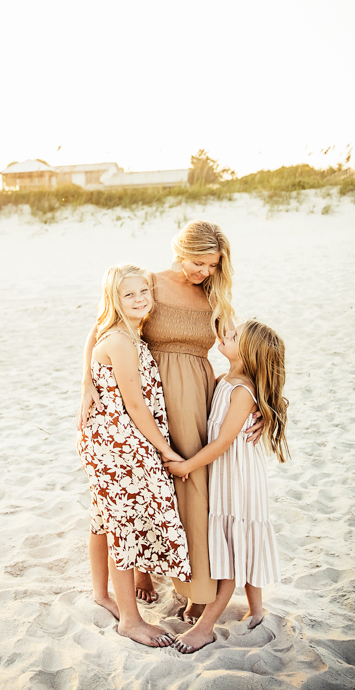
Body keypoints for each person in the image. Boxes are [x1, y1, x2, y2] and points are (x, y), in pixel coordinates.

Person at [78, 220, 262, 618]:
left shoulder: (214, 296)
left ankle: (198, 588)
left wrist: (259, 403)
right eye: (199, 262)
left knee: (193, 484)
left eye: (212, 265)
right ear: (181, 252)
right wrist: (86, 384)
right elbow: (101, 327)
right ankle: (144, 571)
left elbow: (244, 351)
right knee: (152, 481)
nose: (204, 272)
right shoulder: (149, 284)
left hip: (197, 393)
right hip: (148, 391)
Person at [76, 263, 191, 647]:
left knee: (104, 516)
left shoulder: (120, 330)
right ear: (114, 299)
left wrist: (85, 381)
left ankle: (101, 593)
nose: (140, 299)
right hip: (119, 443)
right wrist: (166, 450)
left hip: (108, 438)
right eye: (129, 294)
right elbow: (137, 407)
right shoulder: (123, 343)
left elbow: (93, 330)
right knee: (123, 525)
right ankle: (129, 619)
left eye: (144, 291)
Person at [165, 319, 289, 653]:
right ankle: (257, 609)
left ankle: (206, 628)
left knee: (234, 552)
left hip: (239, 480)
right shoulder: (224, 380)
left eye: (234, 337)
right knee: (239, 542)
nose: (226, 336)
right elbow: (221, 319)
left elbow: (222, 442)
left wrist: (187, 466)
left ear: (248, 353)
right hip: (225, 477)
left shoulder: (241, 390)